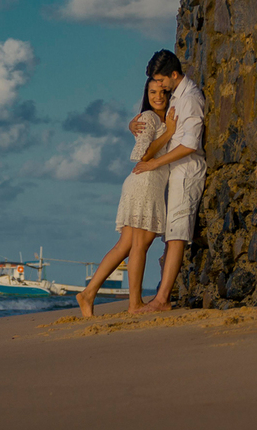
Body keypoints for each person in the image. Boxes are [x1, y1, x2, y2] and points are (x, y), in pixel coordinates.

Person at [75, 79, 176, 317]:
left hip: (145, 183)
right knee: (139, 245)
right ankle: (135, 304)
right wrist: (169, 132)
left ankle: (88, 294)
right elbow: (142, 153)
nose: (158, 96)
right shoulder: (149, 118)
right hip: (145, 183)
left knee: (126, 246)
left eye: (162, 92)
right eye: (152, 92)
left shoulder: (160, 117)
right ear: (146, 94)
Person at [129, 49, 206, 312]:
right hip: (173, 173)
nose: (158, 86)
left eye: (161, 80)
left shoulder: (191, 99)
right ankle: (161, 297)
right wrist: (134, 125)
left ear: (174, 75)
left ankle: (161, 299)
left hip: (186, 171)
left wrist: (153, 163)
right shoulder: (177, 96)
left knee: (176, 235)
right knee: (170, 234)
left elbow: (190, 145)